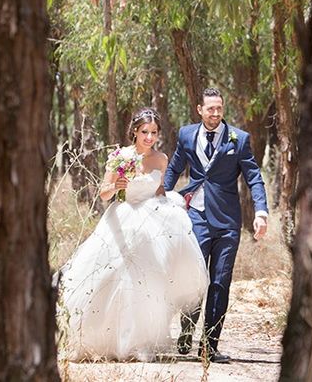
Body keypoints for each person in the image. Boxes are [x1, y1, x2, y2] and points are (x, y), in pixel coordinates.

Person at [58, 108, 209, 362]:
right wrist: (115, 185)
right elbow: (104, 194)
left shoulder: (161, 158)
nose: (149, 137)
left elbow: (159, 189)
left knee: (147, 281)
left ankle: (139, 342)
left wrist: (171, 207)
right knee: (115, 277)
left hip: (151, 220)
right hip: (124, 218)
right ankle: (103, 338)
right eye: (144, 132)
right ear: (135, 132)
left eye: (154, 133)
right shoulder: (120, 156)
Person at [163, 87, 268, 364]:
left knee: (220, 282)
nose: (215, 113)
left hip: (227, 223)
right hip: (195, 217)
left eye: (219, 108)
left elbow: (254, 177)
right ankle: (187, 331)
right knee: (195, 279)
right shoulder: (186, 134)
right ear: (200, 109)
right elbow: (174, 168)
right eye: (210, 108)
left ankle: (209, 345)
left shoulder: (239, 139)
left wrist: (261, 211)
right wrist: (159, 198)